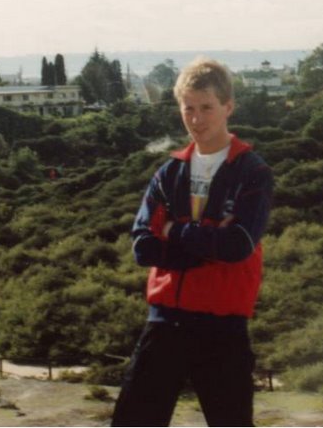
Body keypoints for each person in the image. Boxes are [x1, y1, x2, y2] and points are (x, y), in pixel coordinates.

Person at [112, 57, 273, 427]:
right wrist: (206, 246)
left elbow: (237, 246)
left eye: (206, 108)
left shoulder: (253, 172)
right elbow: (143, 247)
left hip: (223, 323)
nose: (196, 119)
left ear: (228, 107)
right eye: (188, 108)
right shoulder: (169, 172)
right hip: (165, 319)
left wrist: (173, 231)